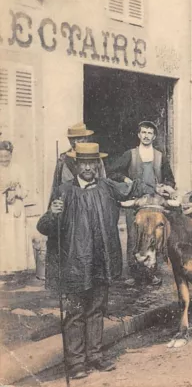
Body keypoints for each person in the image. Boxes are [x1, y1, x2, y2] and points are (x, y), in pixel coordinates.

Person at [37, 143, 155, 379]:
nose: (89, 167)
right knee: (75, 314)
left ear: (98, 164)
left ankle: (96, 357)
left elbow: (132, 190)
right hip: (75, 263)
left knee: (96, 310)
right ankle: (77, 363)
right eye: (84, 163)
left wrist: (156, 187)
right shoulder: (64, 191)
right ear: (76, 164)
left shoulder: (106, 187)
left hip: (101, 261)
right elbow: (45, 227)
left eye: (93, 163)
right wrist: (53, 214)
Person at [107, 121, 175, 286]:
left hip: (154, 203)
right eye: (143, 132)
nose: (146, 136)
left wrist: (165, 187)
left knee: (153, 236)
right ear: (138, 135)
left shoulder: (160, 156)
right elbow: (111, 171)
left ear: (154, 136)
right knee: (134, 236)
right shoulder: (130, 154)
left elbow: (170, 179)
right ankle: (133, 273)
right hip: (136, 202)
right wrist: (126, 179)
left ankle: (151, 273)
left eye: (150, 133)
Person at [49, 123, 105, 207]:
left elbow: (103, 184)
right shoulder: (63, 160)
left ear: (86, 139)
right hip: (70, 206)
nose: (75, 142)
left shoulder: (96, 159)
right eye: (72, 139)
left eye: (79, 138)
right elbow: (56, 187)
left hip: (92, 204)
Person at [0, 138, 32, 272]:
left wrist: (16, 193)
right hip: (1, 207)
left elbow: (26, 189)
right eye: (0, 156)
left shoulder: (18, 169)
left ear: (11, 155)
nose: (3, 159)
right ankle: (3, 266)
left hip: (15, 206)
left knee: (16, 234)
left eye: (6, 156)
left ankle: (17, 267)